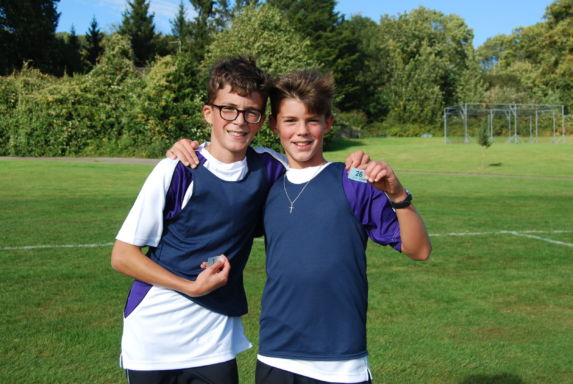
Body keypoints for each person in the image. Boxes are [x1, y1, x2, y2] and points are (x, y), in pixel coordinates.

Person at [169, 70, 432, 384]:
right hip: (275, 355)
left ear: (328, 124)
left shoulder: (353, 179)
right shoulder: (266, 185)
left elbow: (418, 250)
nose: (302, 132)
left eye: (312, 120)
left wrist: (398, 194)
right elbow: (220, 228)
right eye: (290, 121)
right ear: (274, 124)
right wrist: (187, 149)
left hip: (340, 360)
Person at [111, 56, 287, 384]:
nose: (239, 121)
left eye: (251, 112)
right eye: (229, 109)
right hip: (153, 337)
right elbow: (123, 256)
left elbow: (322, 175)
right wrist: (190, 287)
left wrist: (368, 173)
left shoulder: (270, 167)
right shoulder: (177, 169)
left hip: (215, 340)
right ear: (209, 112)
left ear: (262, 120)